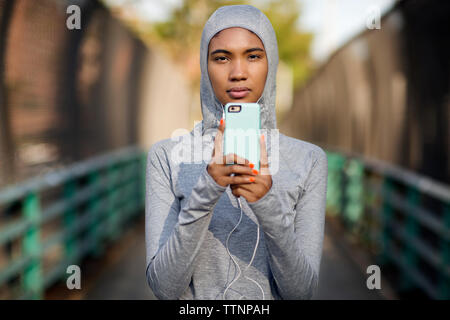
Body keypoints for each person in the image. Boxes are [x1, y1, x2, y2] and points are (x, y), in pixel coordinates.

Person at [145, 4, 328, 300]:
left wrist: (267, 204)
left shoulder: (308, 160)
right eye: (221, 58)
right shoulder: (166, 157)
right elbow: (164, 289)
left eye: (253, 56)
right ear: (205, 67)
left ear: (272, 63)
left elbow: (301, 293)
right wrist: (207, 190)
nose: (238, 73)